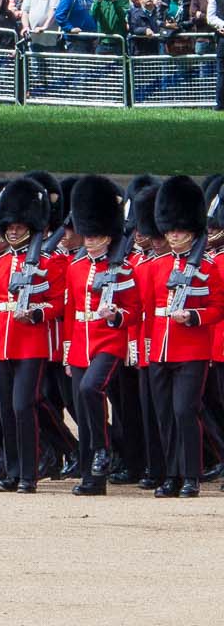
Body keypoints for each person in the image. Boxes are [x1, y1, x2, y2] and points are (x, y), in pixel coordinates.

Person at [0, 180, 65, 493]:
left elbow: (58, 303)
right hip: (3, 344)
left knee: (22, 406)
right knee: (5, 410)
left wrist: (36, 312)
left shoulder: (49, 262)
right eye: (10, 227)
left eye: (19, 227)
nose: (14, 232)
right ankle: (13, 470)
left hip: (31, 343)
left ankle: (29, 473)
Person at [60, 174, 138, 496]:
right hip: (81, 343)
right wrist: (67, 350)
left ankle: (103, 451)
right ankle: (93, 479)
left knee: (92, 389)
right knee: (81, 404)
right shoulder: (76, 268)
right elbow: (70, 312)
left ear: (108, 235)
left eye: (96, 235)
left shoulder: (124, 267)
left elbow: (135, 309)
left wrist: (117, 317)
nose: (89, 240)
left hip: (109, 340)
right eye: (87, 235)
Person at [137, 176, 215, 498]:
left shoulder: (208, 266)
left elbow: (217, 306)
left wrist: (194, 317)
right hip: (160, 351)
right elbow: (141, 309)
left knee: (185, 411)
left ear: (192, 231)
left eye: (179, 231)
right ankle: (171, 474)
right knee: (165, 416)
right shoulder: (157, 267)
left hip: (192, 350)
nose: (172, 236)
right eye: (169, 231)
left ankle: (191, 475)